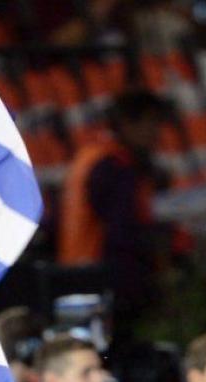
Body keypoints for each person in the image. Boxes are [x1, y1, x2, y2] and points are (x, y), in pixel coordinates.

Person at [57, 89, 169, 316]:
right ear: (128, 124)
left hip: (79, 276)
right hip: (109, 282)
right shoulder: (115, 167)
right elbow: (124, 232)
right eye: (151, 124)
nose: (157, 133)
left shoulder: (92, 157)